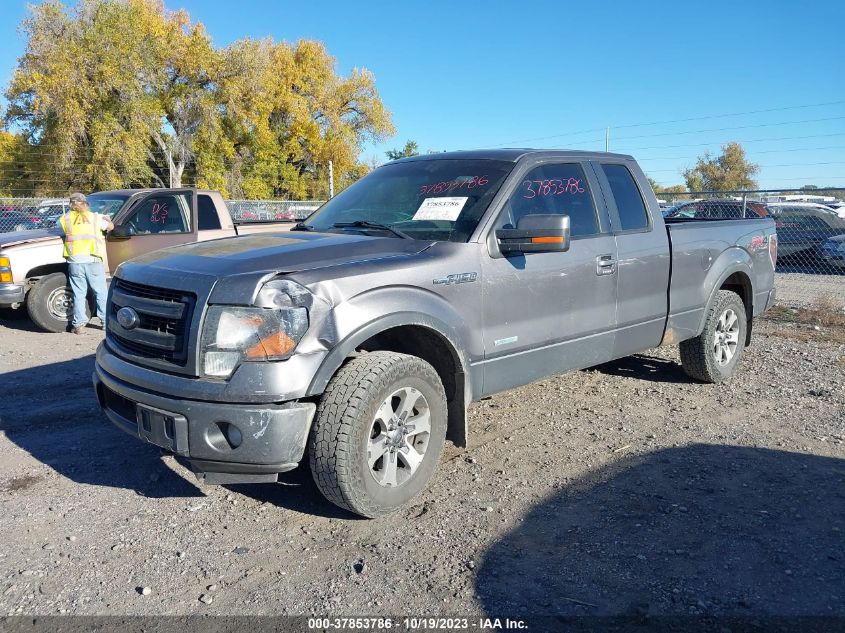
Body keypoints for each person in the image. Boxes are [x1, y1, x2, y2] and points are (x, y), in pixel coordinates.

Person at [59, 192, 114, 334]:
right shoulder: (95, 217)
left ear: (71, 204)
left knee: (78, 293)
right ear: (85, 204)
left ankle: (78, 325)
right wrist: (107, 218)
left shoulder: (65, 219)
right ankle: (105, 323)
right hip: (92, 259)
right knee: (101, 292)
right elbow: (111, 227)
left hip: (75, 261)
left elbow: (63, 228)